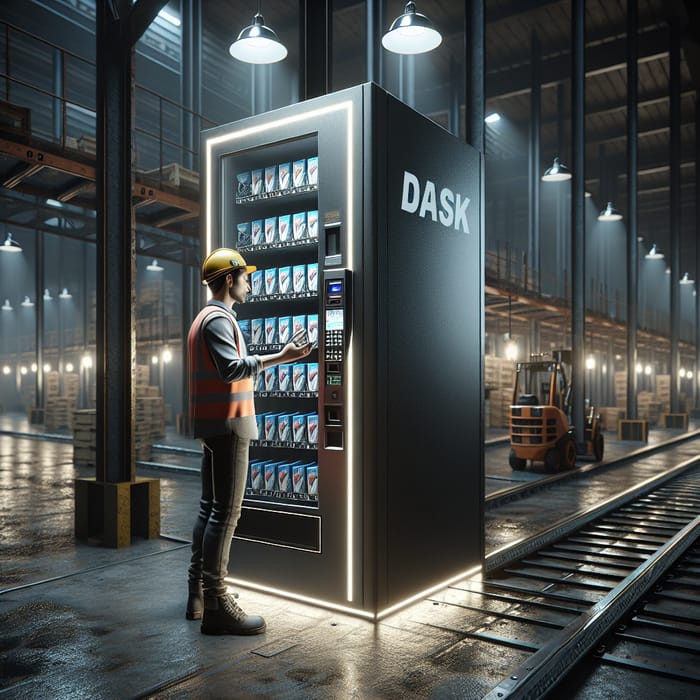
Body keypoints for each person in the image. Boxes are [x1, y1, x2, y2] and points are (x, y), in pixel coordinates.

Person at [186, 247, 312, 635]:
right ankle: (218, 603)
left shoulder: (203, 319)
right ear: (229, 280)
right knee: (227, 513)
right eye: (245, 277)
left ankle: (198, 594)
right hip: (230, 425)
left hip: (214, 425)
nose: (250, 284)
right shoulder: (218, 320)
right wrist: (284, 356)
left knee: (209, 508)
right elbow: (232, 370)